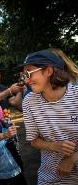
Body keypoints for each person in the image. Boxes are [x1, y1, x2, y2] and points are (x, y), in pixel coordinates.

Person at [20, 49, 78, 184]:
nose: (26, 80)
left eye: (28, 73)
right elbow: (33, 140)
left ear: (48, 71)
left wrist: (73, 158)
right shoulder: (29, 102)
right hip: (50, 178)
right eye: (24, 75)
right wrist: (54, 146)